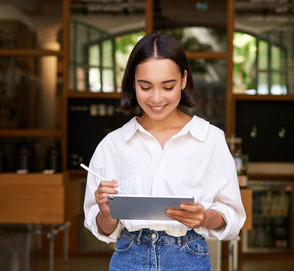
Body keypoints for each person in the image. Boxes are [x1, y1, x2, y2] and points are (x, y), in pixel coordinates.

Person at [82, 33, 246, 271]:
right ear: (132, 83)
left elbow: (231, 215)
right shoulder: (113, 145)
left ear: (183, 80)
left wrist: (204, 217)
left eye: (167, 86)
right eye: (145, 86)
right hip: (129, 257)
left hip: (188, 257)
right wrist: (107, 213)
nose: (156, 98)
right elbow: (103, 229)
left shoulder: (209, 139)